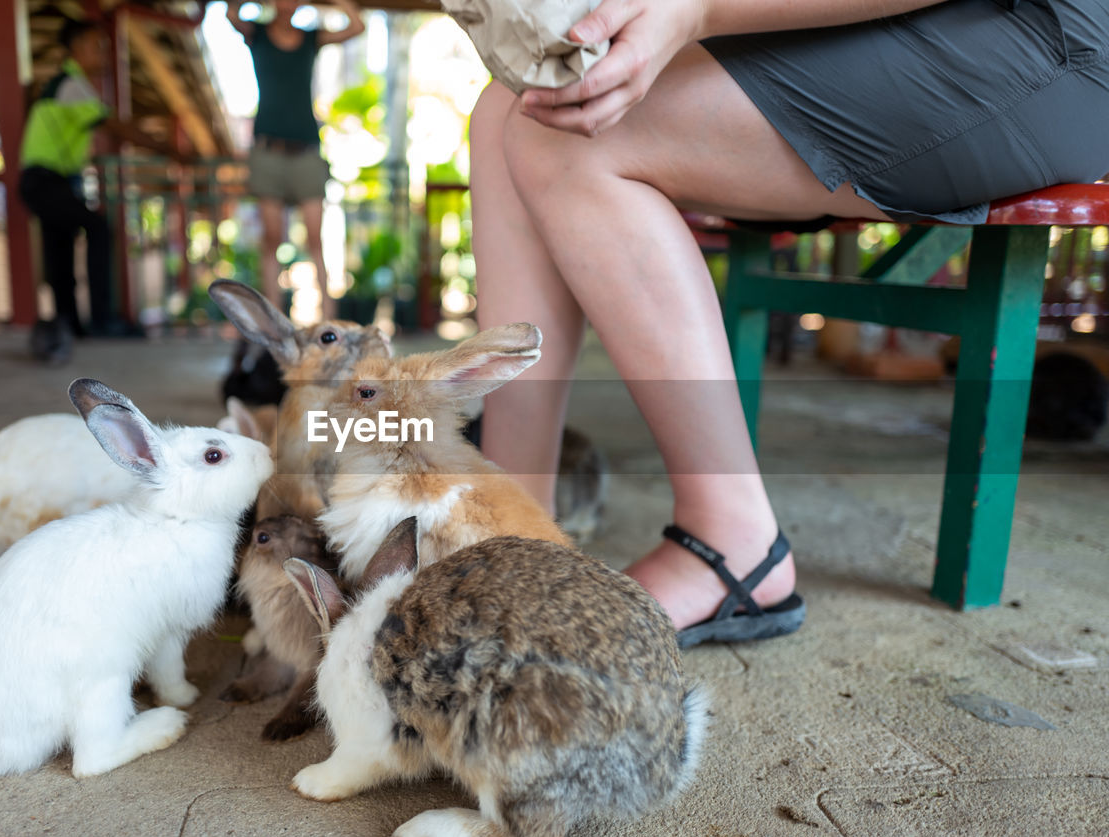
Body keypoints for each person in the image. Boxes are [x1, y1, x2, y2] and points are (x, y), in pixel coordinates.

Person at [469, 0, 1109, 646]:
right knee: (516, 102)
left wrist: (698, 10)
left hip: (1050, 34)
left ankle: (732, 542)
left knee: (564, 133)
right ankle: (510, 535)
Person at [19, 18, 167, 338]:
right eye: (95, 46)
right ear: (76, 50)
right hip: (44, 179)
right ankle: (101, 319)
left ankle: (69, 324)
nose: (102, 53)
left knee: (60, 250)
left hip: (47, 181)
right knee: (98, 230)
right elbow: (114, 126)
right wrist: (166, 148)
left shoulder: (69, 84)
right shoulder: (71, 85)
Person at [226, 0, 365, 320]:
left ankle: (329, 319)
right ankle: (273, 321)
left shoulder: (312, 38)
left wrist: (339, 3)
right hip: (267, 153)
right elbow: (231, 14)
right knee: (271, 239)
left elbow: (356, 26)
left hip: (305, 152)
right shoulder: (256, 33)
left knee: (316, 239)